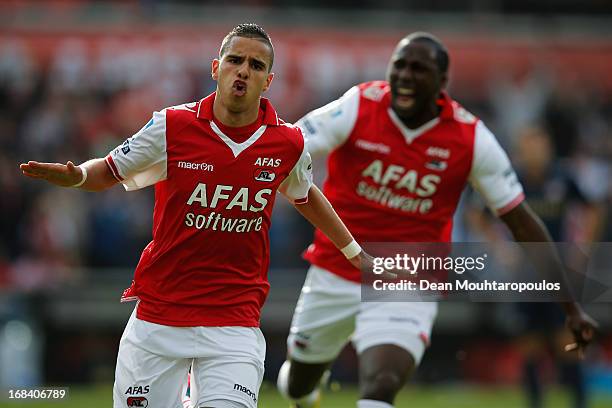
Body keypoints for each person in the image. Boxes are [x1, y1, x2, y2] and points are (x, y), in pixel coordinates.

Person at [20, 23, 370, 408]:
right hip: (160, 316)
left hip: (234, 320)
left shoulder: (287, 142)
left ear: (268, 81)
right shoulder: (171, 126)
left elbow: (305, 195)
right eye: (235, 60)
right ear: (215, 67)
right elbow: (107, 171)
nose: (243, 71)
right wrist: (79, 176)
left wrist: (354, 251)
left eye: (255, 65)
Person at [276, 32, 597, 408]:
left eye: (419, 69)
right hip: (336, 267)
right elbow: (291, 146)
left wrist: (570, 306)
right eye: (399, 66)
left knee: (381, 383)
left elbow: (521, 221)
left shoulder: (470, 138)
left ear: (442, 83)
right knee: (297, 384)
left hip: (410, 275)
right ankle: (304, 390)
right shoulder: (359, 105)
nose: (406, 76)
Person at [512, 126, 600, 408]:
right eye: (528, 147)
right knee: (530, 344)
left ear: (548, 148)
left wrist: (583, 246)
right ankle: (535, 402)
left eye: (539, 145)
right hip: (526, 271)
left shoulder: (564, 177)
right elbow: (478, 213)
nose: (535, 153)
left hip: (560, 270)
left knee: (567, 341)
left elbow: (594, 208)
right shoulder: (512, 180)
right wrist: (500, 248)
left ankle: (579, 401)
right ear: (520, 152)